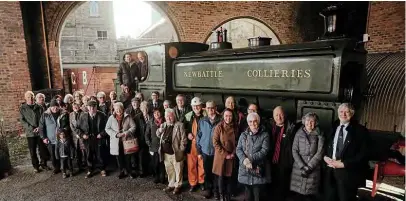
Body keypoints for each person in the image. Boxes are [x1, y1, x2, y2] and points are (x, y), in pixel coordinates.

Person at [324, 103, 369, 201]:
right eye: (341, 111)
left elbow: (363, 154)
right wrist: (325, 157)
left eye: (346, 112)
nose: (343, 114)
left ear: (352, 114)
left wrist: (344, 164)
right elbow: (326, 144)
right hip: (331, 173)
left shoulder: (360, 131)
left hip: (348, 175)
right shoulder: (333, 126)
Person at [236, 112, 271, 201]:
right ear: (248, 123)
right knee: (248, 197)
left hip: (257, 169)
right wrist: (244, 160)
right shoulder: (243, 135)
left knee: (257, 196)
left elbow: (264, 151)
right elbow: (238, 149)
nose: (253, 124)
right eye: (250, 121)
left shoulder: (265, 135)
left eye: (255, 121)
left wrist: (250, 159)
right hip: (245, 169)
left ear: (258, 122)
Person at [290, 113, 325, 201]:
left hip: (313, 168)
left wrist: (309, 167)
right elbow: (294, 150)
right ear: (304, 121)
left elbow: (320, 152)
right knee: (297, 195)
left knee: (309, 196)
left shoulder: (320, 134)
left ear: (316, 122)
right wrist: (302, 166)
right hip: (299, 168)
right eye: (308, 121)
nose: (310, 123)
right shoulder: (298, 133)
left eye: (312, 121)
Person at [267, 106, 296, 201]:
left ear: (285, 115)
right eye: (276, 115)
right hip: (271, 161)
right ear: (273, 117)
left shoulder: (291, 128)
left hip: (284, 162)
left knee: (282, 186)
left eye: (281, 115)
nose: (279, 117)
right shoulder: (269, 127)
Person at [157, 108, 187, 195]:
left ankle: (178, 186)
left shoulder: (179, 125)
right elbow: (157, 134)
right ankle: (171, 185)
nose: (168, 118)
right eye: (167, 116)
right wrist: (159, 130)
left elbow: (184, 140)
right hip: (165, 153)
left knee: (178, 170)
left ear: (174, 116)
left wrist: (181, 150)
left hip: (176, 153)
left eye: (170, 116)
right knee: (169, 170)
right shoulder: (164, 125)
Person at [197, 100, 222, 199]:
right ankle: (209, 189)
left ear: (215, 108)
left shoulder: (221, 121)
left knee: (216, 173)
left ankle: (216, 191)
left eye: (212, 108)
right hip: (205, 152)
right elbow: (198, 137)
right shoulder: (202, 121)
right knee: (207, 172)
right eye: (208, 108)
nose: (210, 110)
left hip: (217, 153)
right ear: (205, 109)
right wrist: (199, 151)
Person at [77, 100, 108, 178]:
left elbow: (107, 127)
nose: (92, 109)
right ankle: (90, 170)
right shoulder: (82, 116)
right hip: (88, 139)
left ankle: (102, 169)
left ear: (96, 107)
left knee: (100, 154)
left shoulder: (102, 115)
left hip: (98, 138)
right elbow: (77, 128)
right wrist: (82, 135)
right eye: (90, 107)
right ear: (87, 107)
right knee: (88, 155)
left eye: (94, 107)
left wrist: (102, 134)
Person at [105, 102, 137, 179]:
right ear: (114, 110)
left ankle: (129, 172)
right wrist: (115, 134)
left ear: (123, 109)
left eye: (120, 109)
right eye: (116, 109)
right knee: (119, 157)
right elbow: (107, 128)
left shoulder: (128, 117)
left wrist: (126, 133)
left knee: (128, 157)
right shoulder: (111, 118)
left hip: (126, 141)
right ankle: (122, 171)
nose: (118, 111)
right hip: (116, 141)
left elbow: (134, 127)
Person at [20, 91, 49, 173]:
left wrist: (39, 128)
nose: (31, 98)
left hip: (40, 132)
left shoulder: (39, 107)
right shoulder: (23, 108)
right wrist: (32, 128)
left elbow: (42, 118)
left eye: (32, 96)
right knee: (32, 151)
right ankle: (36, 166)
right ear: (25, 98)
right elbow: (22, 121)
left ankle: (44, 164)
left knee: (42, 150)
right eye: (28, 97)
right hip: (30, 133)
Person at [212, 109, 238, 201]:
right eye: (226, 116)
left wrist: (233, 153)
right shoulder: (219, 127)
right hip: (221, 157)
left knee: (229, 178)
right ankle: (221, 195)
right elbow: (215, 142)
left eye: (230, 116)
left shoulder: (235, 127)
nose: (228, 118)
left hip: (232, 156)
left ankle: (228, 196)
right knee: (221, 178)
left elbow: (237, 142)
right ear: (223, 116)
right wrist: (225, 154)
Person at [39, 99, 70, 174]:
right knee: (53, 154)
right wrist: (44, 137)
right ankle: (56, 168)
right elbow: (41, 127)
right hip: (51, 138)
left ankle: (65, 167)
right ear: (50, 107)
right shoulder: (45, 114)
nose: (55, 108)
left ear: (59, 106)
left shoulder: (64, 114)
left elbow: (68, 124)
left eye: (56, 107)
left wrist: (65, 130)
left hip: (62, 138)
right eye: (53, 107)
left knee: (63, 153)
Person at [184, 97, 207, 192]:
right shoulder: (188, 116)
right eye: (194, 106)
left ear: (201, 106)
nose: (196, 107)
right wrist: (187, 133)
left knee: (202, 164)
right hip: (192, 144)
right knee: (191, 165)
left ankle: (202, 182)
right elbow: (183, 127)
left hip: (202, 144)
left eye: (198, 105)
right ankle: (193, 183)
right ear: (191, 106)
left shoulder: (206, 114)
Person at [145, 108, 166, 184]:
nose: (156, 114)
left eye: (158, 113)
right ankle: (156, 176)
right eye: (155, 113)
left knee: (162, 163)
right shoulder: (150, 122)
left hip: (163, 146)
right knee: (155, 163)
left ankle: (162, 177)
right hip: (153, 146)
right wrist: (149, 143)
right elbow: (147, 134)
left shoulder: (165, 121)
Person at [69, 103, 86, 171]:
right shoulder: (71, 114)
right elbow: (71, 125)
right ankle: (79, 165)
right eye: (74, 106)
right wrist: (76, 133)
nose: (75, 107)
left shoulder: (84, 113)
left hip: (82, 134)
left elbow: (85, 125)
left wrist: (80, 134)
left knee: (84, 150)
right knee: (77, 150)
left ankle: (86, 163)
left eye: (77, 106)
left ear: (79, 106)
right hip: (75, 136)